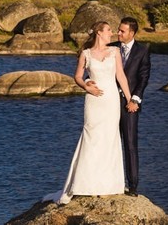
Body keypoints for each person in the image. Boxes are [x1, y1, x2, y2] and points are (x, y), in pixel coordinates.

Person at [48, 21, 135, 205]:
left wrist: (129, 99)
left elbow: (121, 76)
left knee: (109, 138)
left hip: (111, 100)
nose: (112, 33)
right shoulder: (86, 54)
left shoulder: (115, 52)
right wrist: (86, 86)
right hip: (93, 101)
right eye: (109, 30)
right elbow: (78, 76)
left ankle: (107, 186)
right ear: (99, 33)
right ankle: (86, 184)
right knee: (92, 137)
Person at [110, 16, 151, 196]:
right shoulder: (111, 48)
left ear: (132, 33)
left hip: (130, 105)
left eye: (122, 31)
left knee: (130, 144)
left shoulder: (142, 51)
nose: (118, 33)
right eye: (118, 30)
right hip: (109, 103)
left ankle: (133, 185)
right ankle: (109, 182)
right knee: (108, 143)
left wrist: (134, 100)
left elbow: (143, 78)